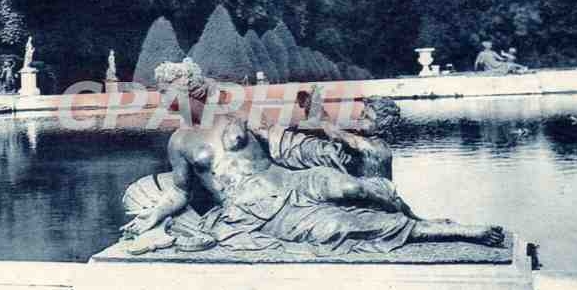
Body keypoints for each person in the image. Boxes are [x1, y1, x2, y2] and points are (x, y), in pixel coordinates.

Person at [121, 64, 505, 256]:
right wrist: (154, 215)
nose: (162, 98)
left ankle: (417, 218)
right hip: (253, 207)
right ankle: (451, 232)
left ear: (191, 88)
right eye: (161, 91)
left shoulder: (236, 115)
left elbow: (283, 141)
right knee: (341, 226)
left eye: (167, 89)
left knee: (353, 186)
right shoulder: (179, 140)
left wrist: (327, 139)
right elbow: (181, 190)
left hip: (285, 180)